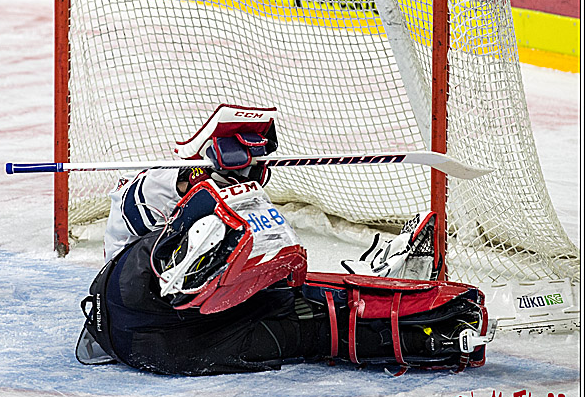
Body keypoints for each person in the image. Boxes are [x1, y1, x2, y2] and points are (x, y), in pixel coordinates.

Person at [77, 104, 494, 375]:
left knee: (310, 310)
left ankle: (402, 293)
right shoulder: (158, 183)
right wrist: (190, 179)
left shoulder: (235, 202)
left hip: (178, 343)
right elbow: (138, 201)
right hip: (135, 299)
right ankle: (183, 276)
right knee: (217, 220)